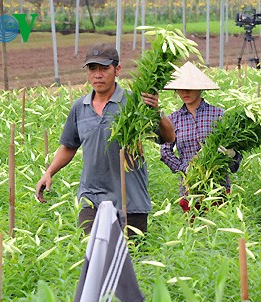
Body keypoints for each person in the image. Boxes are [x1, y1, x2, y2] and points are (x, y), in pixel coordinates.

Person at [35, 42, 175, 236]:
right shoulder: (80, 107)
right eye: (92, 69)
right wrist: (49, 172)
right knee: (92, 260)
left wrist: (156, 112)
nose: (97, 75)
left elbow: (168, 137)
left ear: (117, 70)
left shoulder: (134, 102)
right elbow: (69, 146)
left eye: (104, 68)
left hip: (130, 201)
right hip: (92, 200)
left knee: (131, 262)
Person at [159, 61, 241, 216]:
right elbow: (165, 151)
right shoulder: (173, 119)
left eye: (190, 87)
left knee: (218, 229)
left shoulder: (218, 115)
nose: (185, 92)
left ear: (200, 88)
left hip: (218, 186)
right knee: (193, 232)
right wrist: (184, 169)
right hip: (189, 189)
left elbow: (235, 152)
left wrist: (232, 155)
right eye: (180, 88)